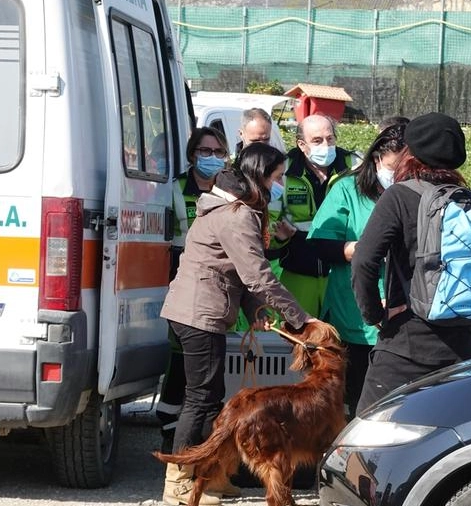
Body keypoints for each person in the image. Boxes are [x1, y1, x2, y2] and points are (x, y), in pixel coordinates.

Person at [351, 112, 471, 414]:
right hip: (460, 351)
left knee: (364, 440)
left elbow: (364, 260)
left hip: (403, 349)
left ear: (410, 152)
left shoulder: (399, 197)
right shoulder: (470, 201)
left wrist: (374, 314)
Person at [159, 142, 317, 505]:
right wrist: (300, 319)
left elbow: (236, 273)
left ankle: (212, 476)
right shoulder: (237, 213)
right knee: (200, 399)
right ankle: (180, 479)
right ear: (260, 175)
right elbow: (257, 275)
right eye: (276, 177)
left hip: (203, 309)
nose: (279, 185)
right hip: (200, 312)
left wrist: (256, 311)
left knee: (211, 398)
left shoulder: (231, 207)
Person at [307, 121, 408, 418]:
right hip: (354, 312)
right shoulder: (347, 189)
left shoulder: (414, 189)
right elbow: (319, 244)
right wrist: (356, 250)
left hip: (403, 312)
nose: (397, 175)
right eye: (393, 167)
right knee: (356, 401)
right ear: (377, 158)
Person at [155, 126, 228, 462]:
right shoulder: (176, 189)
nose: (212, 157)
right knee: (181, 366)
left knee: (206, 378)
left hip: (215, 286)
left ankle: (196, 443)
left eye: (218, 152)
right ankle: (171, 437)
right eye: (205, 151)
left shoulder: (226, 189)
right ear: (192, 154)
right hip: (181, 284)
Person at [271, 114, 357, 316]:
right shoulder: (284, 170)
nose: (325, 145)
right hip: (297, 273)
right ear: (302, 144)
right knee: (297, 337)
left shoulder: (354, 166)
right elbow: (268, 222)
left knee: (341, 340)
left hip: (342, 274)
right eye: (317, 141)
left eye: (330, 139)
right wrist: (279, 237)